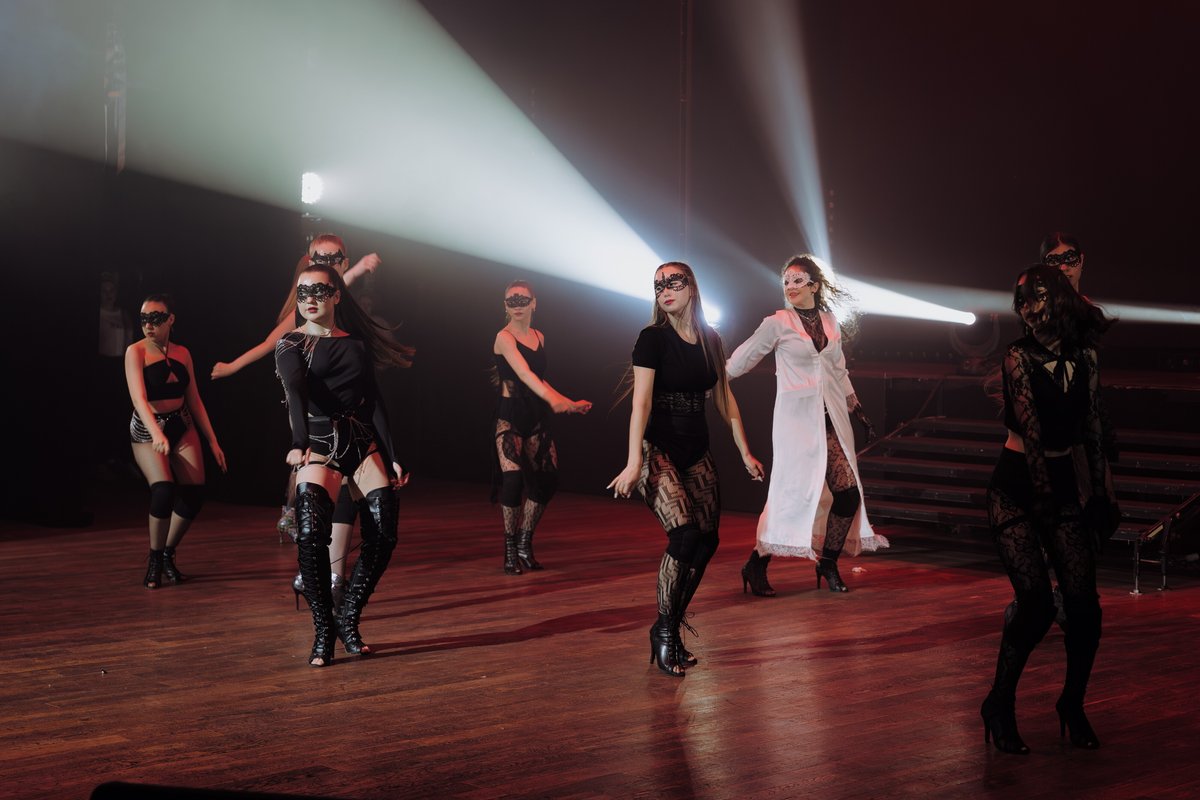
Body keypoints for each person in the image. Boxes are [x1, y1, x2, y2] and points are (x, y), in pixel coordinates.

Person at [980, 265, 1114, 754]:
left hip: (1059, 484)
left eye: (1037, 298)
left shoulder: (1086, 356)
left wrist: (1099, 497)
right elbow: (1032, 435)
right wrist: (1046, 500)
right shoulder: (1017, 356)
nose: (1029, 308)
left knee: (1085, 609)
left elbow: (1092, 429)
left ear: (1058, 300)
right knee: (1035, 606)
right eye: (1022, 301)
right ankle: (999, 704)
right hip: (1015, 488)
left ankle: (1072, 704)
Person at [608, 262, 764, 677]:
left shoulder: (711, 339)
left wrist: (745, 452)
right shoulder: (652, 338)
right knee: (684, 534)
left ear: (691, 287)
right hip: (658, 448)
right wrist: (634, 461)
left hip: (697, 450)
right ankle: (664, 632)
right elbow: (641, 402)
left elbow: (724, 398)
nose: (665, 289)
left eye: (673, 282)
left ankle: (671, 625)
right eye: (658, 285)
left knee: (708, 540)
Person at [212, 234, 379, 602]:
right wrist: (232, 366)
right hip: (310, 409)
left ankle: (333, 574)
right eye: (321, 256)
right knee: (320, 485)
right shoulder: (307, 304)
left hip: (347, 414)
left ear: (343, 260)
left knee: (346, 491)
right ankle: (310, 550)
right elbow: (270, 343)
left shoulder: (343, 305)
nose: (329, 261)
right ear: (308, 258)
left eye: (336, 257)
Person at [275, 262, 412, 667]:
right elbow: (295, 391)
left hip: (361, 442)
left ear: (336, 295)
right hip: (318, 444)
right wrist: (299, 442)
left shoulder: (356, 345)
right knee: (310, 536)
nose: (310, 299)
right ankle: (323, 630)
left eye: (319, 291)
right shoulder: (291, 343)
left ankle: (348, 617)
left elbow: (374, 401)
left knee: (384, 534)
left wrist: (392, 453)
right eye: (303, 292)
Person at [726, 254, 888, 596]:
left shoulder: (830, 322)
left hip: (832, 419)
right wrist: (711, 376)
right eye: (786, 281)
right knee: (792, 494)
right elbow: (743, 358)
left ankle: (827, 562)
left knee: (847, 494)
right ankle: (757, 563)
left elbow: (839, 371)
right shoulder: (778, 322)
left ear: (814, 285)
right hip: (796, 423)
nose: (790, 286)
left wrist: (857, 409)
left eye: (797, 280)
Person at [124, 294, 227, 588]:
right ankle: (155, 559)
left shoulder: (183, 353)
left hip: (181, 423)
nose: (149, 325)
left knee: (195, 493)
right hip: (148, 428)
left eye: (156, 319)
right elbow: (138, 399)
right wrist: (156, 433)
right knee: (163, 490)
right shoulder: (135, 351)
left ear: (171, 320)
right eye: (144, 319)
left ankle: (168, 552)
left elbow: (194, 399)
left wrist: (213, 441)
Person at [492, 281, 591, 573]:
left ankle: (525, 540)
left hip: (535, 415)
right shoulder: (503, 337)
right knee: (512, 481)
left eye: (523, 299)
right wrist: (553, 400)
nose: (517, 305)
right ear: (505, 305)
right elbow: (523, 374)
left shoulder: (539, 336)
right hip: (510, 415)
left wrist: (568, 402)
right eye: (511, 300)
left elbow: (539, 378)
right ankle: (510, 549)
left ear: (534, 303)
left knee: (547, 480)